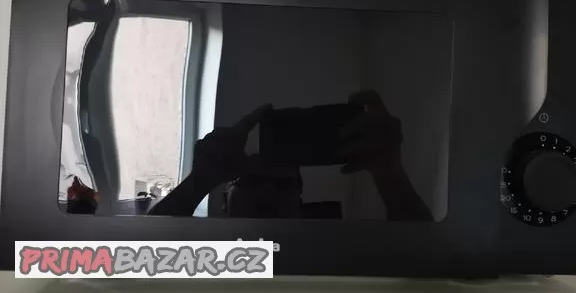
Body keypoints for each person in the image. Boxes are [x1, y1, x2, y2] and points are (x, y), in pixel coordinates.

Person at [148, 91, 432, 221]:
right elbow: (134, 261)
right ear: (224, 200)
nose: (268, 192)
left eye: (284, 185)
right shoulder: (210, 258)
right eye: (252, 181)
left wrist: (389, 173)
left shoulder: (327, 260)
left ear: (299, 203)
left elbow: (424, 266)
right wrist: (199, 181)